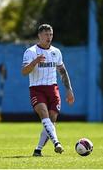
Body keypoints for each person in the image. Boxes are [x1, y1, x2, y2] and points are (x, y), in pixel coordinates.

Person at [21, 24, 75, 156]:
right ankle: (57, 143)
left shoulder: (56, 52)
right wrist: (34, 62)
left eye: (50, 34)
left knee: (52, 119)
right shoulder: (31, 52)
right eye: (46, 34)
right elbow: (24, 72)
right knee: (44, 113)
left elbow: (62, 71)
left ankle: (38, 150)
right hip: (37, 89)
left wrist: (69, 89)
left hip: (52, 89)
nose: (49, 37)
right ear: (39, 36)